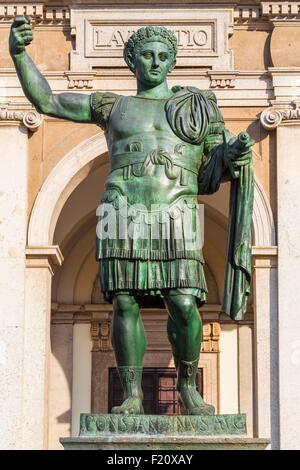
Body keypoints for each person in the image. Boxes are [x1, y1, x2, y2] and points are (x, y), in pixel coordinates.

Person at [9, 18, 254, 416]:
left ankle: (188, 388)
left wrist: (233, 154)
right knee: (124, 303)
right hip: (121, 210)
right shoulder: (113, 106)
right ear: (131, 61)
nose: (155, 62)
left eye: (162, 55)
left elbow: (212, 171)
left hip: (177, 212)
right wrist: (20, 56)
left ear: (172, 61)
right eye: (146, 55)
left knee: (184, 304)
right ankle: (133, 395)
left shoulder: (196, 108)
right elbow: (49, 103)